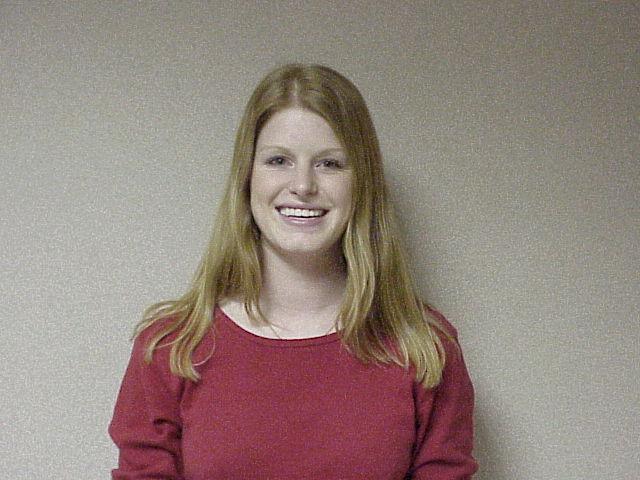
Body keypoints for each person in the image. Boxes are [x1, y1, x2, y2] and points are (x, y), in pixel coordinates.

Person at [109, 63, 478, 479]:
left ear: (362, 183)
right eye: (279, 160)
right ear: (247, 177)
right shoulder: (172, 346)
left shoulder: (425, 348)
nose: (303, 185)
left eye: (330, 164)